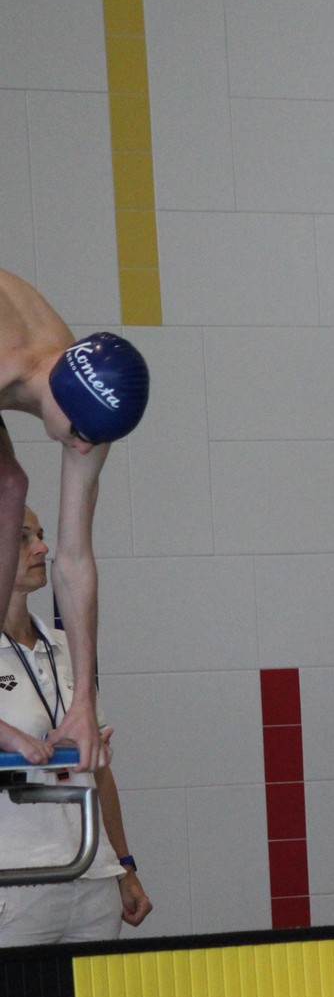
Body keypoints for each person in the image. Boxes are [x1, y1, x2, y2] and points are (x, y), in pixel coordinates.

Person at [0, 269, 150, 772]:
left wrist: (83, 699)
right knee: (7, 485)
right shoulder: (9, 359)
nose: (83, 449)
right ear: (59, 395)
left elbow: (74, 559)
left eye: (95, 439)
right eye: (80, 434)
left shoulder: (90, 409)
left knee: (9, 488)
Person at [0, 505, 151, 945]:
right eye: (24, 538)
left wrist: (123, 864)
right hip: (16, 880)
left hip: (91, 871)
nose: (42, 548)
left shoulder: (68, 648)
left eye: (40, 535)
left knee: (92, 994)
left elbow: (99, 774)